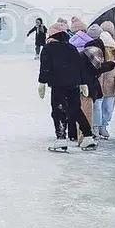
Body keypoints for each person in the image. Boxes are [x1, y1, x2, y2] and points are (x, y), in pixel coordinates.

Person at [38, 21, 95, 151]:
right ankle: (87, 136)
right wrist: (82, 82)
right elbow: (80, 66)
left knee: (58, 110)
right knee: (75, 109)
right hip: (73, 84)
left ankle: (61, 138)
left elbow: (45, 68)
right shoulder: (71, 48)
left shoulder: (48, 48)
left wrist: (42, 82)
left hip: (58, 84)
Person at [95, 21, 115, 138]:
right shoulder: (97, 46)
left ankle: (102, 126)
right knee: (101, 106)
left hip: (109, 82)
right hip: (101, 81)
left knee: (106, 107)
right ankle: (99, 126)